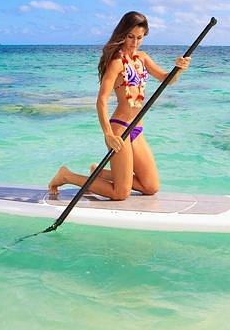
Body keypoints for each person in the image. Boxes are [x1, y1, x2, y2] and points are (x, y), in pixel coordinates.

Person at [48, 11, 191, 200]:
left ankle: (97, 172)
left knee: (151, 186)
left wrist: (179, 68)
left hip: (137, 128)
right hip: (120, 129)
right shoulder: (117, 62)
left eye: (139, 37)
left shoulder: (142, 58)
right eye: (130, 36)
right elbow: (101, 100)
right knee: (120, 193)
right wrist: (107, 134)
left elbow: (166, 79)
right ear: (123, 34)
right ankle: (67, 175)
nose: (134, 42)